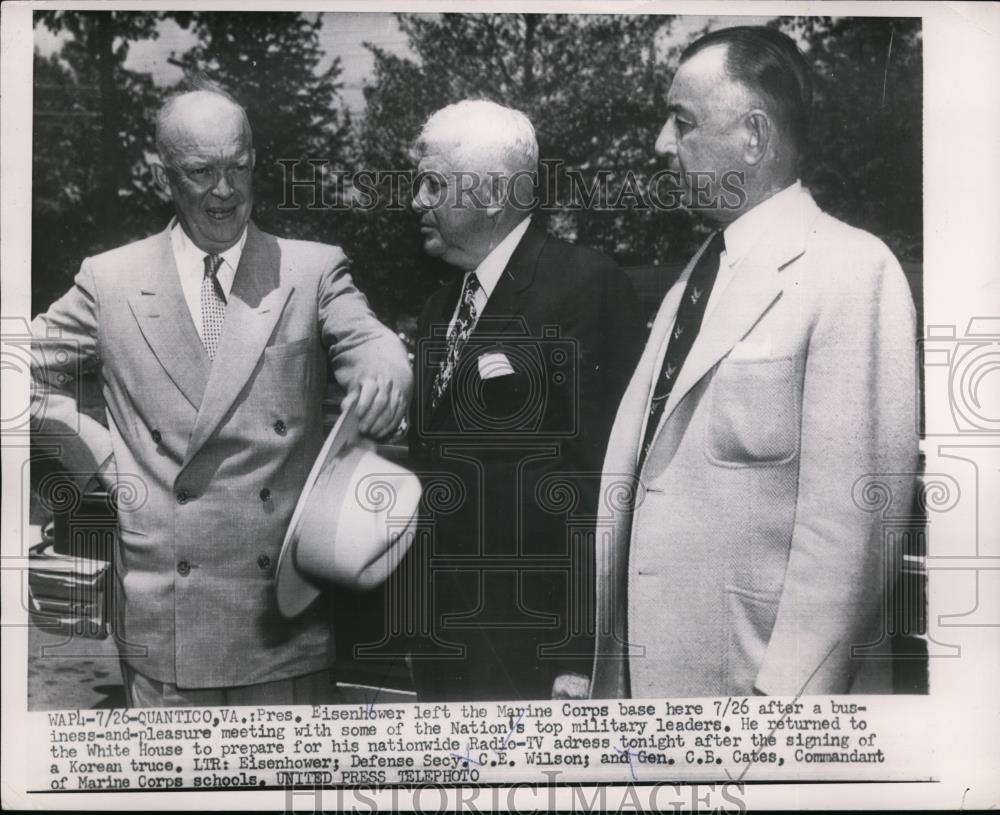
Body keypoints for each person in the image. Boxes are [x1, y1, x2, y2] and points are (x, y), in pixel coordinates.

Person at [29, 79, 412, 707]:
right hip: (164, 624)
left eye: (239, 166)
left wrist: (384, 378)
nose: (225, 190)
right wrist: (95, 449)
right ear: (162, 178)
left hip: (283, 621)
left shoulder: (311, 268)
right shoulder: (110, 278)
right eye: (202, 171)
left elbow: (371, 342)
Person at [590, 27, 919, 698]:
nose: (660, 143)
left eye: (681, 121)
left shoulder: (851, 271)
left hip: (753, 704)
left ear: (753, 136)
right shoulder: (698, 275)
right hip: (651, 690)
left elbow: (851, 533)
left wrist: (785, 721)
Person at [404, 100, 643, 701]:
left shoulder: (585, 286)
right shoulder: (439, 308)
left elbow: (601, 481)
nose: (416, 202)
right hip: (444, 644)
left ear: (490, 193)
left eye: (433, 184)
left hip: (535, 655)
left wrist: (578, 653)